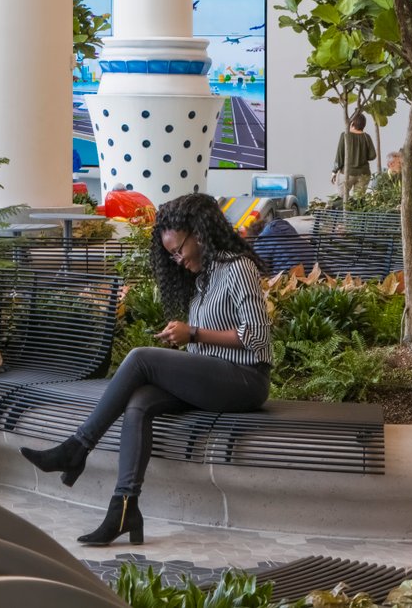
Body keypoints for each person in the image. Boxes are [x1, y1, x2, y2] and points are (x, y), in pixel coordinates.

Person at [20, 192, 271, 546]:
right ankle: (124, 509)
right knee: (139, 402)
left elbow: (257, 338)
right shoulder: (203, 278)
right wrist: (186, 338)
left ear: (199, 233)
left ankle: (77, 448)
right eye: (170, 254)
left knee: (140, 357)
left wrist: (194, 332)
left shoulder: (237, 267)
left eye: (178, 249)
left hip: (245, 380)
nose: (177, 259)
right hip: (215, 377)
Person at [332, 113, 377, 193]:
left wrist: (334, 172)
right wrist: (362, 155)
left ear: (352, 123)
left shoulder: (345, 135)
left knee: (342, 200)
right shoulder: (367, 137)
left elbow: (339, 156)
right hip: (364, 174)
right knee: (358, 201)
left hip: (347, 173)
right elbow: (372, 156)